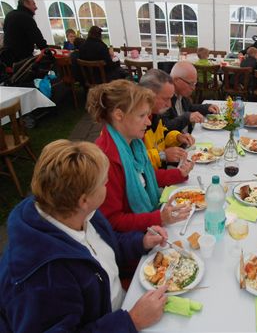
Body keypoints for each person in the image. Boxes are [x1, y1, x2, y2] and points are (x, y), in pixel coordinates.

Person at [0, 139, 170, 332]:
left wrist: (141, 241)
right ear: (83, 200)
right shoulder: (42, 278)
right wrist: (131, 321)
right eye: (104, 182)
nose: (108, 183)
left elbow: (103, 248)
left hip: (122, 305)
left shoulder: (77, 212)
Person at [87, 79, 194, 232]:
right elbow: (113, 221)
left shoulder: (133, 143)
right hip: (133, 239)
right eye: (142, 116)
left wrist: (178, 173)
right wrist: (159, 218)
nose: (148, 122)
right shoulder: (105, 160)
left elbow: (145, 177)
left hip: (148, 223)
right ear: (119, 115)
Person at [139, 69, 195, 168]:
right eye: (166, 99)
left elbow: (161, 139)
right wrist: (163, 156)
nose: (169, 105)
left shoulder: (155, 114)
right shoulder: (136, 123)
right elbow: (136, 161)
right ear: (148, 96)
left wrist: (178, 137)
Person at [162, 61, 220, 133]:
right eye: (191, 84)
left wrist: (207, 108)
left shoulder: (181, 93)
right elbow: (165, 127)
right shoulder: (164, 97)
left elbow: (190, 107)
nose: (193, 88)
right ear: (176, 80)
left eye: (194, 83)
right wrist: (187, 117)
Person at [1, 0, 47, 65]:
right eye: (33, 4)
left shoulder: (10, 15)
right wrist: (45, 49)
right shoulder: (25, 17)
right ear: (26, 4)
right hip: (21, 57)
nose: (36, 7)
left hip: (7, 56)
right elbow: (36, 35)